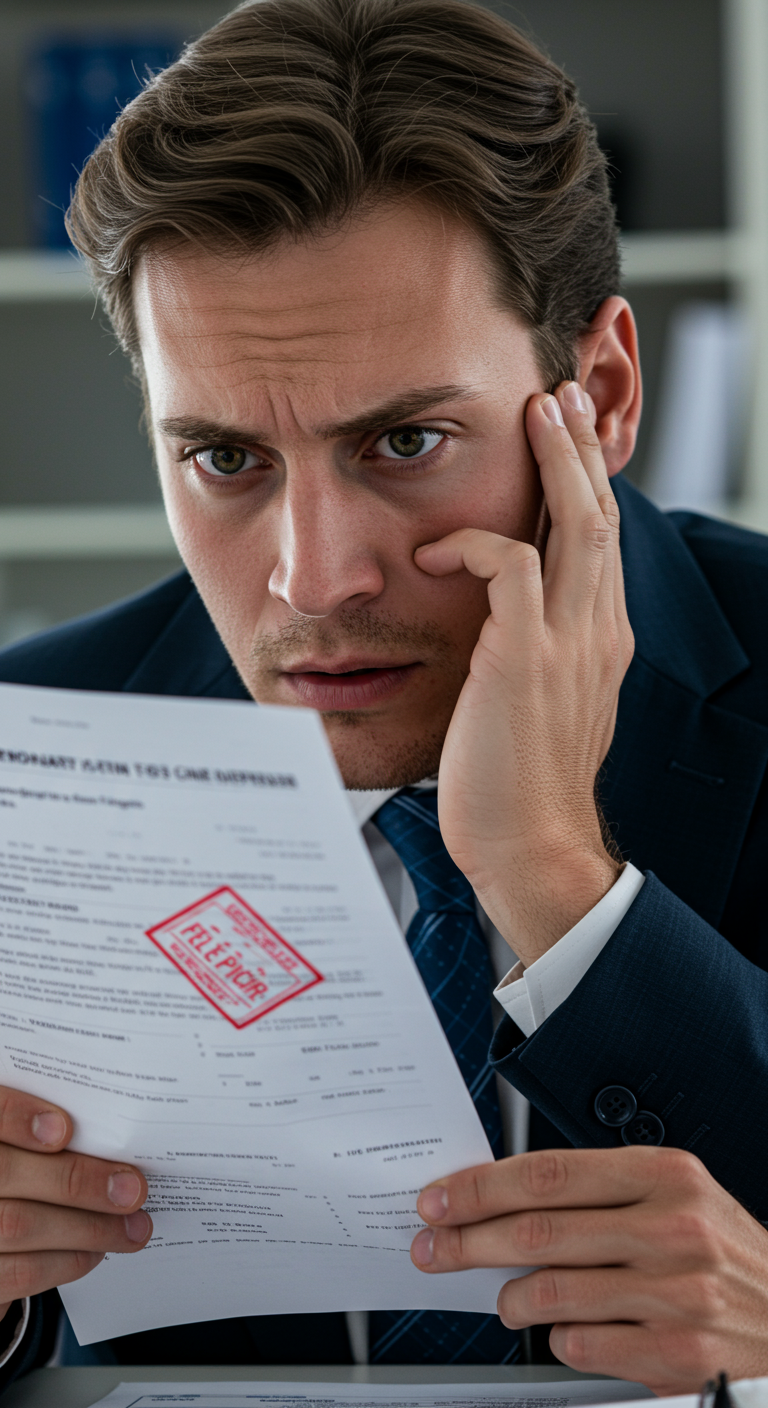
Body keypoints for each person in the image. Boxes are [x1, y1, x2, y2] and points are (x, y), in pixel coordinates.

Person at [1, 0, 767, 1394]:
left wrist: (552, 877)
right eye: (226, 460)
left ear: (595, 391)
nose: (316, 578)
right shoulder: (30, 749)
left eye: (406, 441)